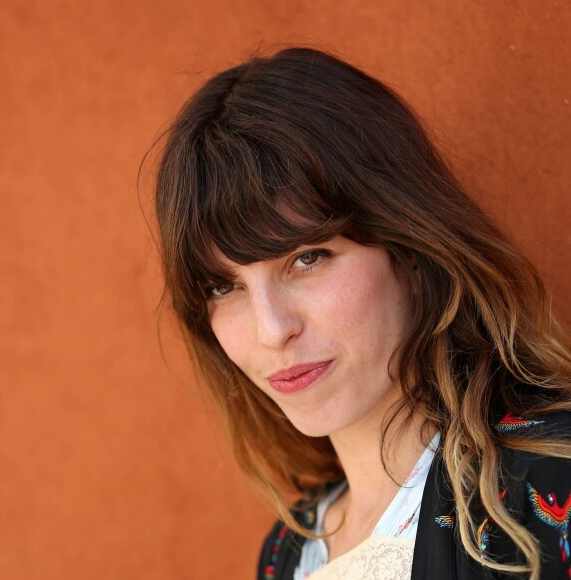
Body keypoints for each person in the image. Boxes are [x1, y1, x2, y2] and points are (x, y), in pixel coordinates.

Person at [151, 47, 571, 579]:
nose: (272, 330)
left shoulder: (546, 486)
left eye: (307, 258)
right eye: (222, 286)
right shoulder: (288, 553)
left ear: (412, 253)